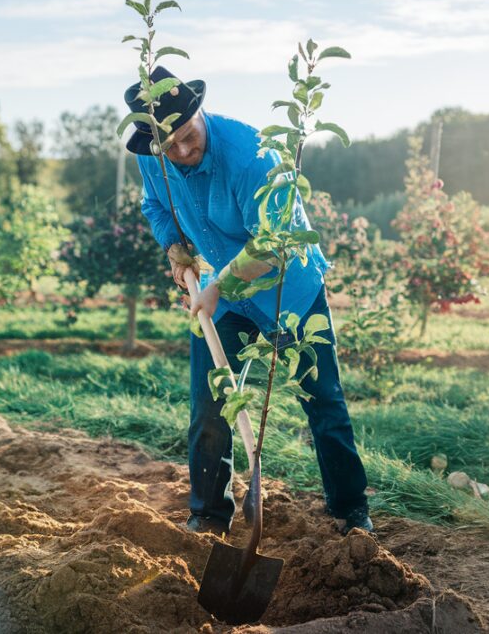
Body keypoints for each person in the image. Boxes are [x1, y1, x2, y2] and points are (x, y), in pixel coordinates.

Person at [124, 66, 372, 536]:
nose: (180, 151)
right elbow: (154, 205)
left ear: (200, 112)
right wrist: (175, 248)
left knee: (322, 399)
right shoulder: (154, 156)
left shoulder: (252, 155)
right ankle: (209, 515)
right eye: (167, 145)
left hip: (287, 289)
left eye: (187, 136)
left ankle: (350, 511)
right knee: (210, 404)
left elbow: (273, 241)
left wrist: (218, 289)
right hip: (223, 296)